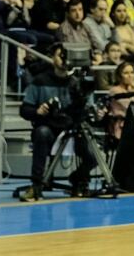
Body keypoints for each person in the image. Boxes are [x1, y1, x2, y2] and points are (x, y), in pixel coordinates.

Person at [18, 43, 95, 201]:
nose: (64, 60)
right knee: (42, 132)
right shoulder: (40, 80)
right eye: (61, 55)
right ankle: (36, 184)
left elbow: (86, 110)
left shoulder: (77, 83)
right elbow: (24, 110)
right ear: (52, 58)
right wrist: (37, 111)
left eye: (67, 56)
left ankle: (78, 179)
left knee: (92, 155)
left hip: (71, 126)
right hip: (49, 127)